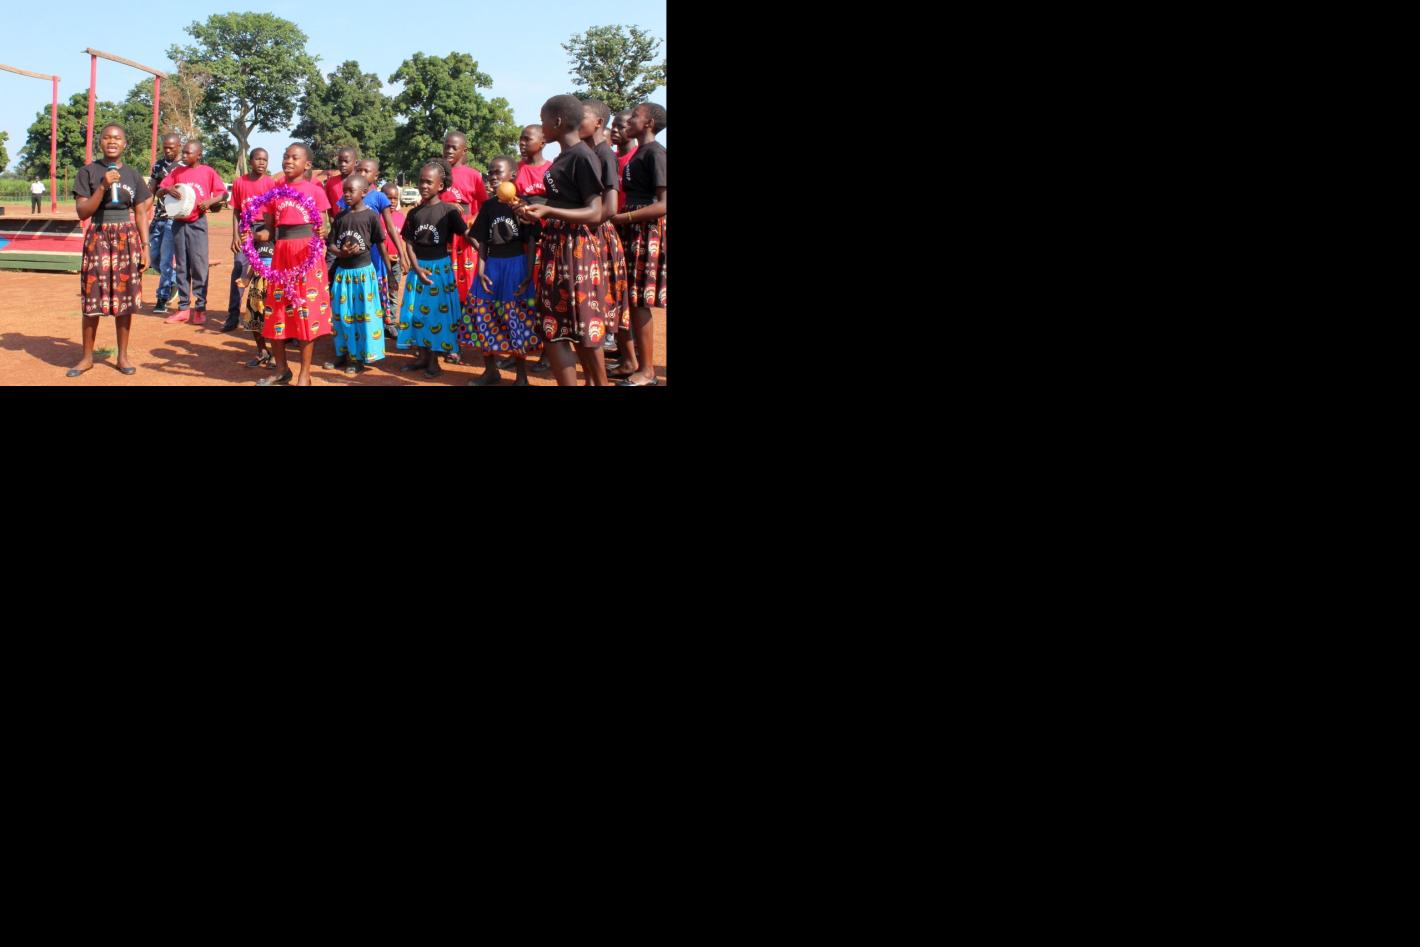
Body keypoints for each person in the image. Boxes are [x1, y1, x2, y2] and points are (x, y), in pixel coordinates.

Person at [515, 95, 612, 386]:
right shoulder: (564, 157)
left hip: (576, 249)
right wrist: (534, 208)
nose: (541, 125)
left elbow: (595, 212)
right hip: (558, 245)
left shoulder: (582, 156)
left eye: (543, 119)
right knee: (555, 328)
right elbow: (565, 201)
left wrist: (548, 211)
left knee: (582, 327)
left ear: (557, 121)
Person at [66, 123, 151, 378]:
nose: (112, 141)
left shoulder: (133, 175)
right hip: (98, 237)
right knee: (92, 297)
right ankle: (86, 358)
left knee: (124, 300)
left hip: (126, 239)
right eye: (106, 138)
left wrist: (145, 247)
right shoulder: (88, 172)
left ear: (125, 144)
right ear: (100, 142)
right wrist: (103, 186)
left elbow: (140, 213)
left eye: (117, 138)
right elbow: (83, 212)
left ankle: (122, 356)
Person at [249, 143, 332, 387]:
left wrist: (323, 233)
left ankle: (305, 374)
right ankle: (281, 369)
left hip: (307, 257)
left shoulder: (315, 190)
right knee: (276, 311)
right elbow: (269, 230)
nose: (288, 161)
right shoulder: (275, 191)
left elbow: (323, 227)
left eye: (295, 157)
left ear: (307, 165)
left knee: (306, 313)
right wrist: (253, 236)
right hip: (281, 256)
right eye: (286, 156)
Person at [460, 156, 539, 386]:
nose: (493, 177)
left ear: (512, 175)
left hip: (515, 265)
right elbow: (483, 241)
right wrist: (481, 270)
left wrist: (528, 273)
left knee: (516, 318)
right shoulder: (488, 206)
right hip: (491, 266)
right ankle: (491, 371)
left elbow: (531, 240)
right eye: (490, 172)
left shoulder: (523, 205)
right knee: (483, 313)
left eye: (498, 172)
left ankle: (521, 376)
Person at [612, 103, 667, 386]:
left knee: (639, 301)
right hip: (632, 228)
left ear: (649, 123)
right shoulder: (639, 153)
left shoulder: (656, 153)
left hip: (645, 231)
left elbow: (663, 204)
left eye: (635, 115)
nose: (630, 119)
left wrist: (626, 218)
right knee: (630, 299)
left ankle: (647, 371)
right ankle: (632, 363)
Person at [396, 159, 466, 378]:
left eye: (429, 182)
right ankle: (422, 357)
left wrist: (485, 248)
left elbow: (466, 234)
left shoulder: (448, 211)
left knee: (436, 316)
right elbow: (409, 242)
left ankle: (434, 361)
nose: (424, 186)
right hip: (418, 271)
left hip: (439, 271)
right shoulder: (414, 213)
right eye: (421, 181)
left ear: (440, 185)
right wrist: (416, 267)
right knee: (416, 313)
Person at [578, 100, 630, 384]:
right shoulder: (586, 152)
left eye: (582, 116)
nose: (576, 120)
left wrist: (580, 220)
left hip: (597, 237)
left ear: (598, 122)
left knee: (594, 310)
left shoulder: (604, 155)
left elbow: (609, 207)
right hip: (587, 234)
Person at [155, 140, 227, 325]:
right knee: (182, 266)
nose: (184, 155)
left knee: (199, 266)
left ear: (199, 155)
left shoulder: (207, 172)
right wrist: (167, 189)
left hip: (197, 223)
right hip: (178, 223)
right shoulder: (177, 172)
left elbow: (223, 194)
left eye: (188, 153)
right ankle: (183, 308)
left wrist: (210, 202)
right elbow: (159, 191)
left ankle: (200, 308)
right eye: (184, 152)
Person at [327, 175, 387, 374]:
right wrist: (341, 253)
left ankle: (358, 358)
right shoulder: (340, 217)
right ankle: (342, 353)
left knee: (362, 317)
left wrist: (389, 271)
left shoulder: (371, 216)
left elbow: (381, 244)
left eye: (351, 190)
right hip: (343, 274)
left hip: (363, 275)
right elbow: (331, 245)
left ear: (364, 192)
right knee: (342, 315)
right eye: (344, 190)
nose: (346, 194)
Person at [224, 148, 276, 333]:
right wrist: (235, 235)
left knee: (266, 271)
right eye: (258, 159)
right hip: (245, 229)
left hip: (265, 229)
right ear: (250, 160)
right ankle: (233, 316)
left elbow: (274, 211)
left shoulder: (271, 183)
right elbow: (236, 210)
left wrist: (271, 233)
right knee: (239, 268)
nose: (262, 162)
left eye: (265, 159)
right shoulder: (240, 182)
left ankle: (269, 316)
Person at [147, 133, 182, 313]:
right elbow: (151, 190)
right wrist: (142, 209)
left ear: (179, 146)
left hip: (173, 219)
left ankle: (162, 298)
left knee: (166, 260)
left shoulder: (185, 166)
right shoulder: (158, 165)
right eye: (165, 147)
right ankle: (174, 279)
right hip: (158, 217)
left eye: (171, 147)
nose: (168, 151)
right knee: (153, 259)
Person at [379, 182, 406, 335]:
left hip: (395, 264)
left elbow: (401, 240)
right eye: (389, 198)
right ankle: (380, 323)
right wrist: (386, 256)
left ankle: (392, 324)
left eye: (396, 198)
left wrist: (402, 258)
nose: (393, 201)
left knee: (393, 293)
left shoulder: (401, 217)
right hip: (380, 263)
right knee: (379, 293)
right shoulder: (376, 217)